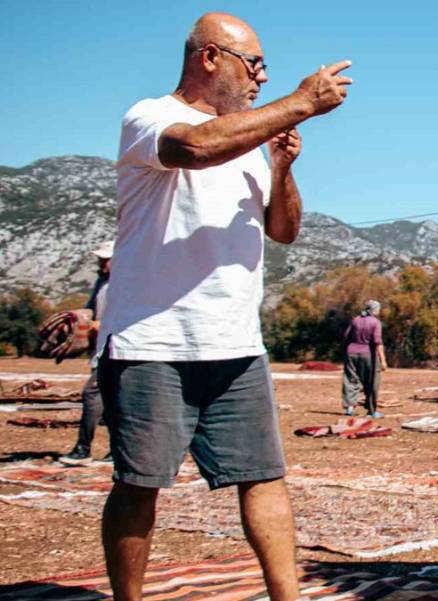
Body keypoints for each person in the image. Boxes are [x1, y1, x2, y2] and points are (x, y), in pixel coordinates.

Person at [96, 12, 351, 601]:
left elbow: (282, 230)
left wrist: (282, 169)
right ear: (210, 58)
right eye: (253, 64)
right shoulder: (153, 117)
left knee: (264, 477)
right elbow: (195, 147)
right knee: (139, 485)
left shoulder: (250, 146)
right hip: (152, 340)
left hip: (235, 345)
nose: (261, 78)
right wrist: (301, 102)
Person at [59, 241, 114, 466]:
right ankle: (115, 451)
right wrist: (77, 318)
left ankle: (83, 449)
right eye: (100, 259)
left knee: (92, 395)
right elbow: (91, 307)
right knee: (110, 401)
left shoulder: (126, 283)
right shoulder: (101, 282)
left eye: (105, 259)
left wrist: (100, 324)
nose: (101, 263)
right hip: (100, 349)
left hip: (115, 349)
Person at [342, 300, 388, 417]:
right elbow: (378, 342)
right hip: (368, 355)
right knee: (372, 381)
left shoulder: (355, 320)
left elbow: (346, 336)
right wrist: (383, 361)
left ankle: (349, 409)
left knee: (350, 380)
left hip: (351, 353)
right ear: (374, 310)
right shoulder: (375, 322)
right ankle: (371, 411)